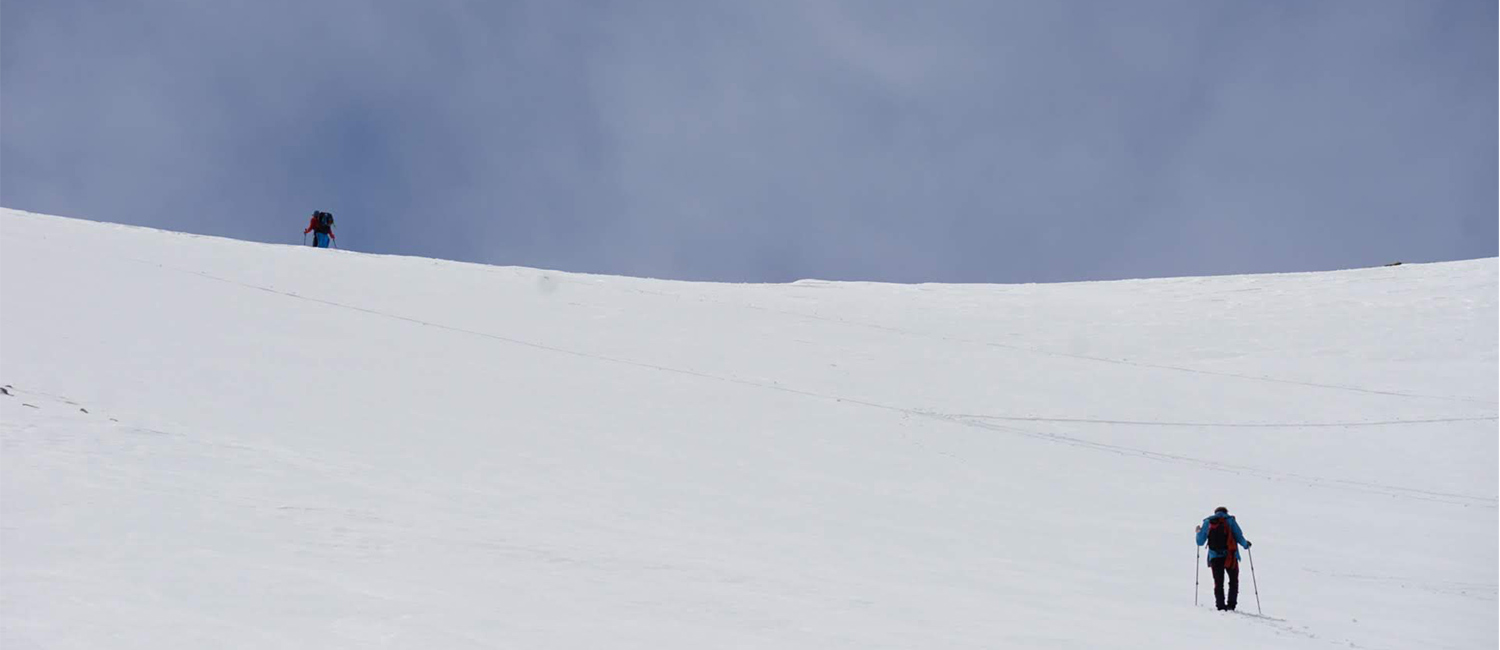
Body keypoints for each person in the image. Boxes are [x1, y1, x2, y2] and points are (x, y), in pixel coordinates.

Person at [1196, 506, 1251, 611]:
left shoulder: (1208, 522)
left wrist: (1198, 532)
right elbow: (1239, 536)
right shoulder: (1230, 521)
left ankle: (1220, 606)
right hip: (1230, 556)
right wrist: (1245, 545)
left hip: (1215, 557)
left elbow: (1200, 542)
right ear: (1226, 512)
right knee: (1233, 581)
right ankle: (1231, 605)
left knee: (1218, 582)